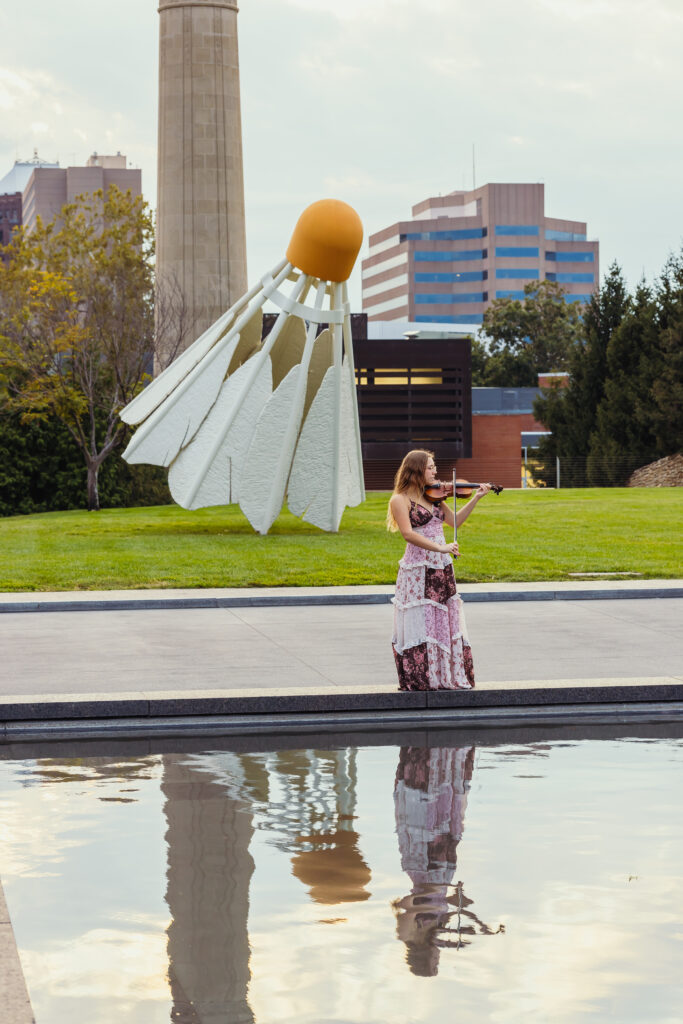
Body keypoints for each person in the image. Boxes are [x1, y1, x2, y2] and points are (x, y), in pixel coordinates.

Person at [387, 449, 490, 691]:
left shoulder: (435, 497)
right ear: (417, 470)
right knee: (422, 618)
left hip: (441, 565)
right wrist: (440, 547)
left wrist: (476, 498)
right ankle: (423, 677)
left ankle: (444, 675)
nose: (436, 471)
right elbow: (408, 534)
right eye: (431, 467)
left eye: (435, 467)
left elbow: (454, 522)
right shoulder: (399, 499)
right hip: (418, 567)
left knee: (443, 618)